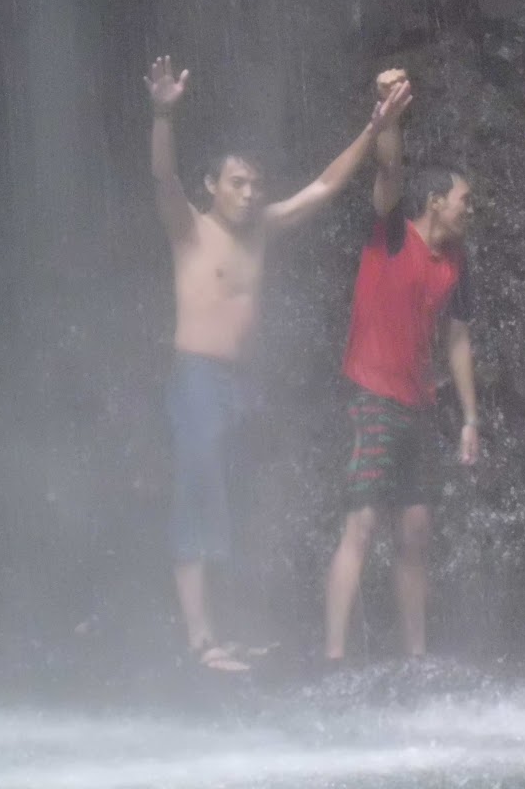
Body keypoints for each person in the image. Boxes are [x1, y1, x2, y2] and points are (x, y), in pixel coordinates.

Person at [145, 55, 410, 672]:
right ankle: (200, 640)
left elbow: (323, 186)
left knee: (236, 496)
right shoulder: (189, 227)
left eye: (254, 184)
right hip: (196, 379)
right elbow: (162, 178)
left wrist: (373, 131)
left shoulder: (260, 229)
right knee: (196, 493)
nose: (249, 193)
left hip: (240, 385)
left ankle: (231, 631)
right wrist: (162, 114)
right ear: (211, 186)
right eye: (237, 183)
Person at [324, 68, 480, 664]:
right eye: (465, 200)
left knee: (416, 533)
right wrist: (387, 115)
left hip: (420, 404)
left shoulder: (457, 260)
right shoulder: (391, 234)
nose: (472, 209)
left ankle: (416, 656)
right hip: (372, 395)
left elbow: (459, 340)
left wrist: (469, 416)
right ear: (436, 200)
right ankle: (335, 655)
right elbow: (389, 170)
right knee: (362, 524)